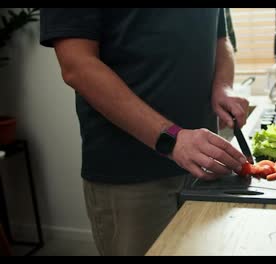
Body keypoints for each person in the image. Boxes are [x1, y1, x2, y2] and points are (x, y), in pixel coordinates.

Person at [39, 8, 249, 256]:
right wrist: (170, 138)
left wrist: (223, 85)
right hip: (131, 176)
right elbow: (77, 65)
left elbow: (221, 39)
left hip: (206, 168)